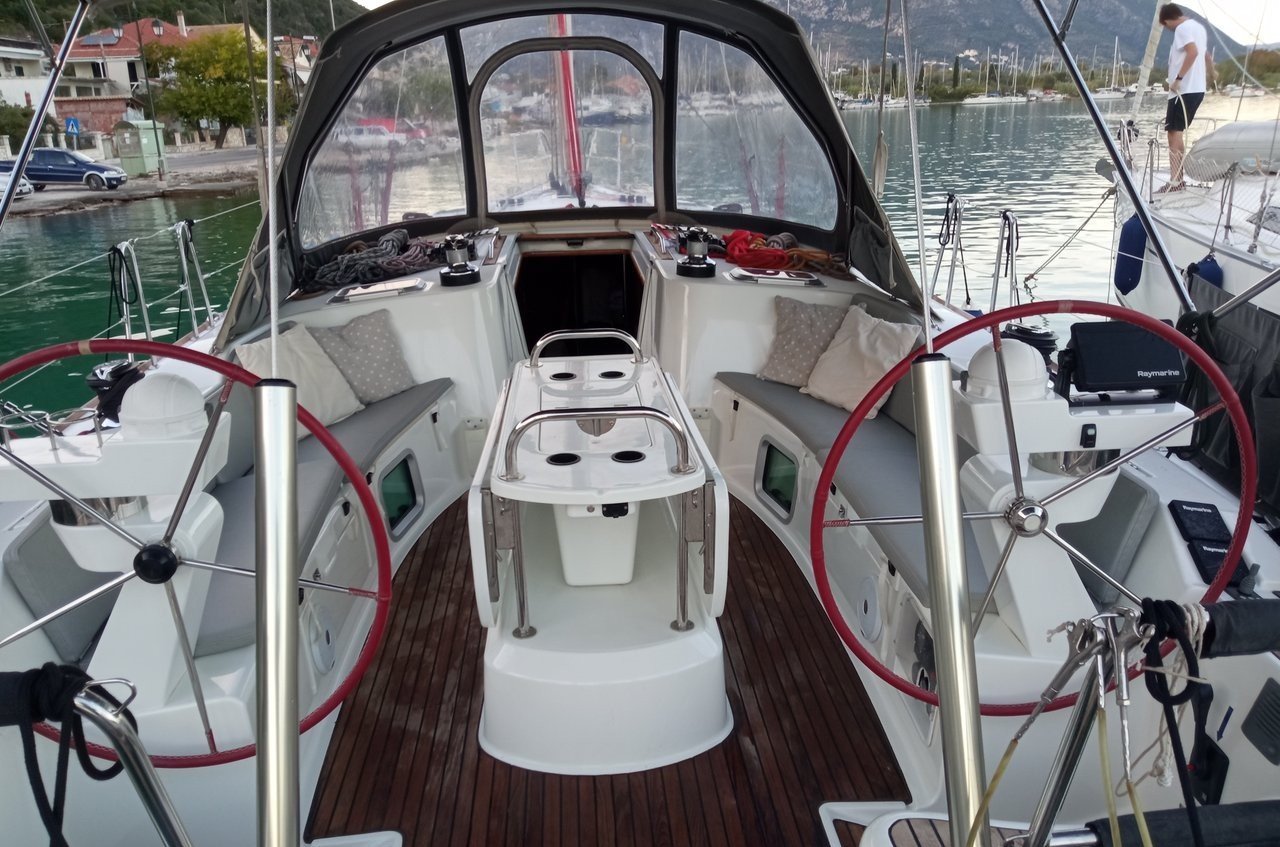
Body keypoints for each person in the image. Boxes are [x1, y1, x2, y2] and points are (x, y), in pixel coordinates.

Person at [1158, 3, 1208, 191]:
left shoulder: (1182, 28)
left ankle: (1176, 181)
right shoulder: (1198, 28)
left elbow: (1193, 51)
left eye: (1165, 24)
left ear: (1168, 20)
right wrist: (1211, 71)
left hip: (1183, 90)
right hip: (1197, 88)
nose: (1167, 28)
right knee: (1177, 131)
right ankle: (1178, 178)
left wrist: (1178, 79)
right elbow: (1205, 55)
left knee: (1173, 132)